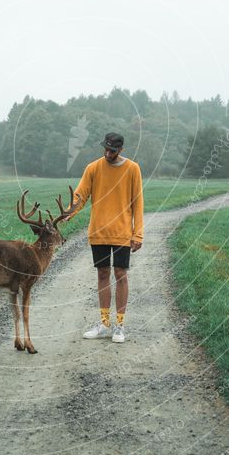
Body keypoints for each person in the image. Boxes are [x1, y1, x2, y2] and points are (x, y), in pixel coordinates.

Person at [64, 132, 144, 344]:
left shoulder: (133, 169)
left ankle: (120, 325)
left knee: (120, 275)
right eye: (106, 149)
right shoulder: (93, 168)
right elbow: (80, 195)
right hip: (98, 231)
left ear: (121, 150)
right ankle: (104, 323)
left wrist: (138, 233)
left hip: (122, 232)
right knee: (102, 274)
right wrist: (69, 212)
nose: (108, 154)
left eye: (112, 151)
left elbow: (138, 203)